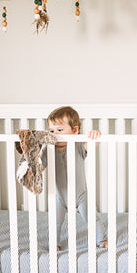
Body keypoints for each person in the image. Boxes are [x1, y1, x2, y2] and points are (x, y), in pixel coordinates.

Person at [41, 106, 108, 249]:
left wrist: (95, 136)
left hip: (80, 195)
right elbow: (40, 168)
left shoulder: (77, 145)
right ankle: (54, 244)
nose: (55, 134)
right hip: (59, 196)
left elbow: (91, 145)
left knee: (92, 219)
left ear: (75, 130)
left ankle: (101, 240)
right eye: (51, 130)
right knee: (55, 222)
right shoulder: (48, 149)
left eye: (60, 130)